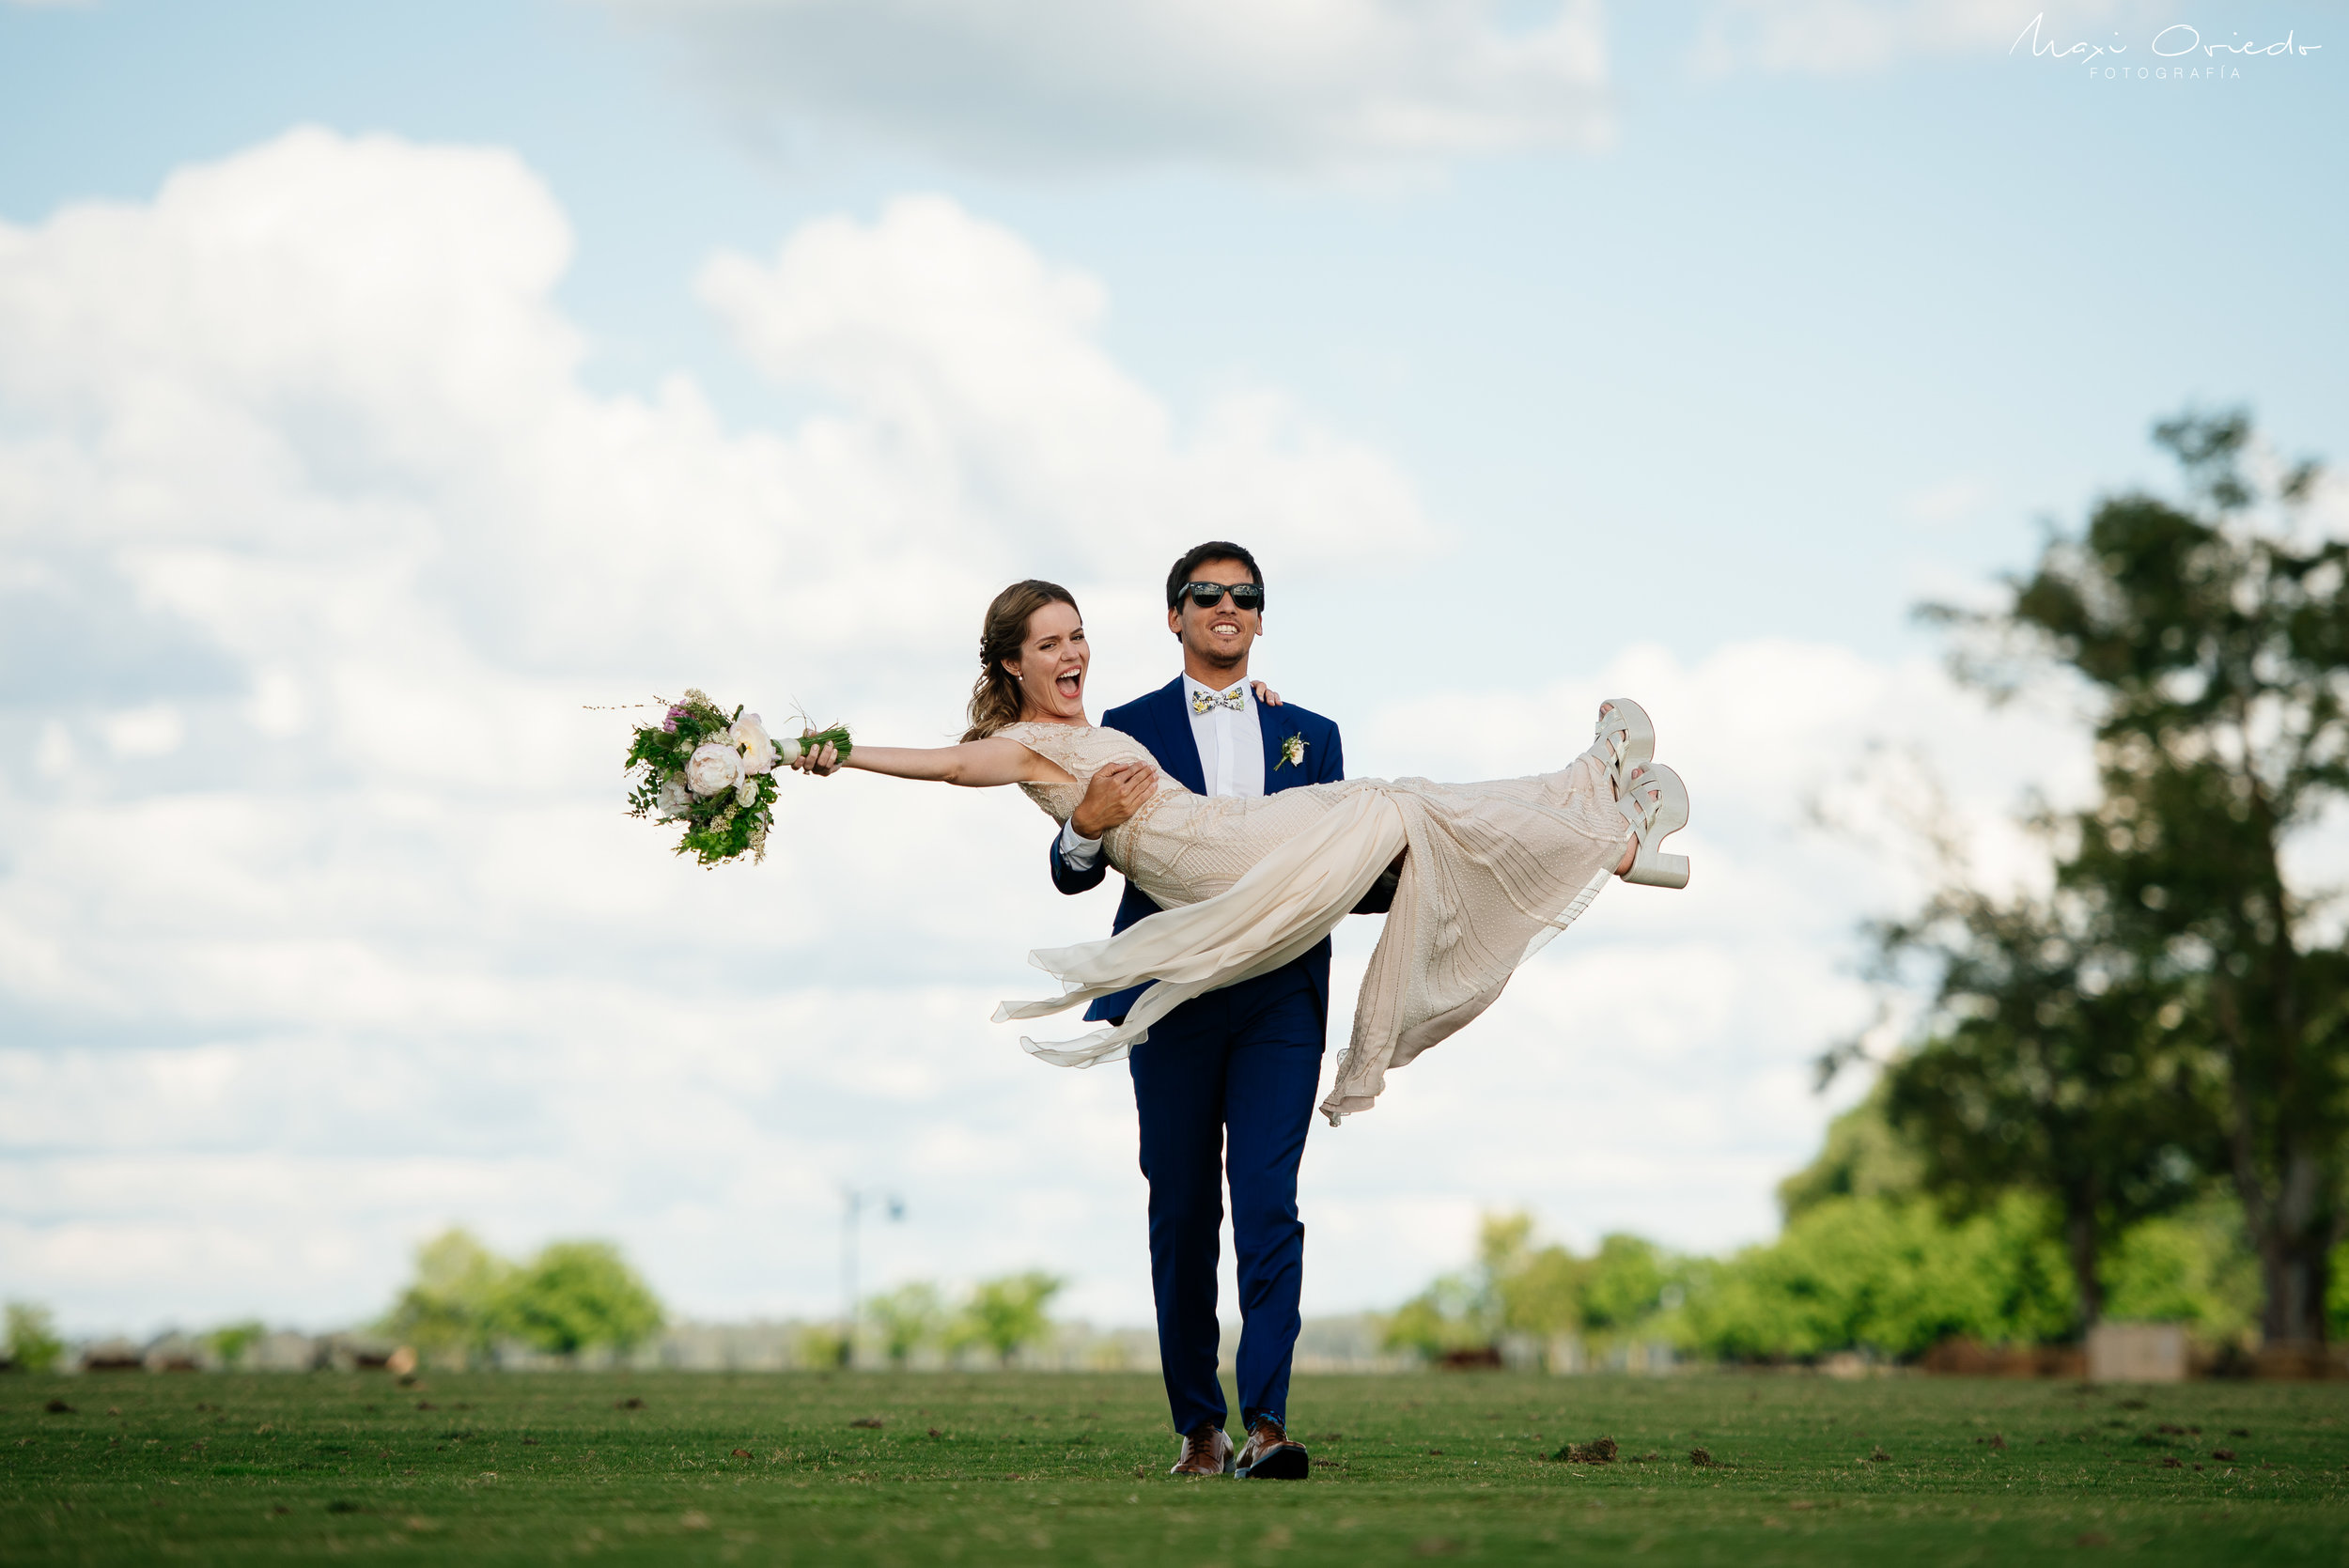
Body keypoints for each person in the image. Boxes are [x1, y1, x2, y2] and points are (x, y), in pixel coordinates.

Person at [785, 562, 1688, 1478]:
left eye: (1076, 634)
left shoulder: (1299, 727)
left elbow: (1356, 886)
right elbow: (970, 786)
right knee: (1182, 1213)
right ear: (1171, 617)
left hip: (1278, 974)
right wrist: (833, 752)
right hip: (1178, 979)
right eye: (1051, 641)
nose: (1073, 651)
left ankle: (1268, 1425)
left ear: (1257, 616)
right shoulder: (1084, 733)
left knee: (1272, 1194)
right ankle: (1199, 1430)